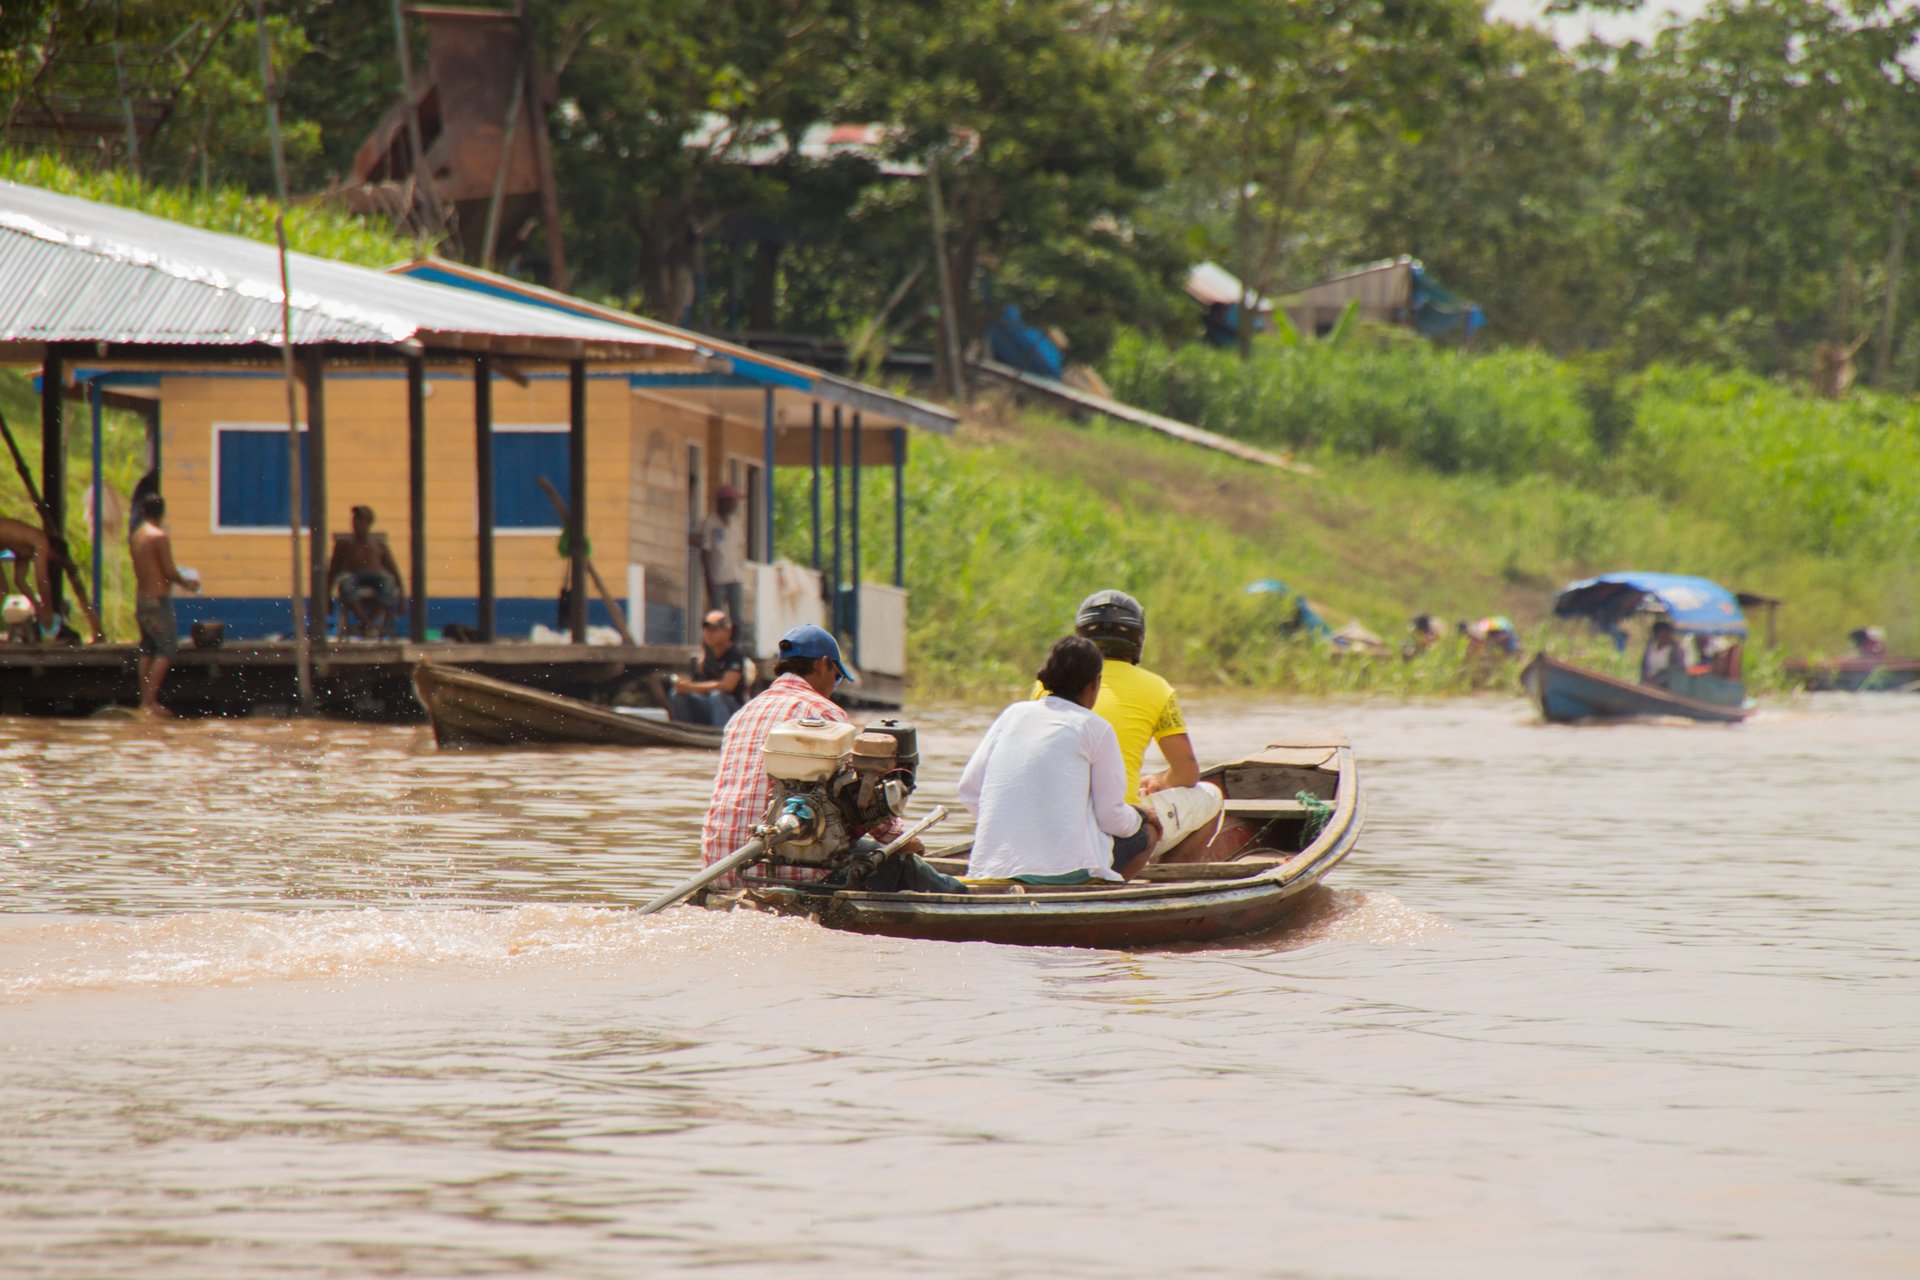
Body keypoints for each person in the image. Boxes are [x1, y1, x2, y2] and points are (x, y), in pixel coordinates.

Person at [700, 624, 917, 891]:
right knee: (904, 863)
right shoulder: (822, 713)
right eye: (836, 677)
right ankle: (960, 896)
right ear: (822, 665)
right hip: (784, 872)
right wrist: (902, 839)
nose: (834, 687)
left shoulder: (742, 714)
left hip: (720, 869)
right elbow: (862, 804)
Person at [961, 636, 1162, 884]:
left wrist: (1010, 827)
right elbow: (1111, 818)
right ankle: (1105, 898)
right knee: (1150, 833)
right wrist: (1142, 816)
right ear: (1095, 684)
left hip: (990, 870)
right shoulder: (1095, 728)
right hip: (1066, 875)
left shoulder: (1012, 714)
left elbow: (969, 790)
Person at [1057, 590, 1222, 862]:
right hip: (1118, 824)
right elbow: (1188, 773)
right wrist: (1158, 781)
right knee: (1211, 795)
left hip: (1058, 822)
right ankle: (1173, 883)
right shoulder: (1157, 688)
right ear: (1137, 639)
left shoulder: (1048, 683)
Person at [129, 496, 199, 715]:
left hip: (141, 601)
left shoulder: (136, 536)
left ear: (142, 511)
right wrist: (187, 583)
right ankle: (150, 702)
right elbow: (168, 571)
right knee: (167, 649)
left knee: (148, 648)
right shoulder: (159, 537)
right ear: (162, 513)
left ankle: (144, 701)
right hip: (158, 602)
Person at [327, 505, 403, 636]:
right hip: (353, 577)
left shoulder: (379, 545)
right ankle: (367, 624)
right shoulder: (344, 544)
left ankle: (369, 623)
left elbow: (394, 571)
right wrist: (327, 596)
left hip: (376, 578)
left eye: (360, 519)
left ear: (369, 523)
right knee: (345, 583)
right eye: (355, 519)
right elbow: (333, 570)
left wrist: (402, 596)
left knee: (388, 581)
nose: (356, 523)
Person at [668, 610, 748, 725]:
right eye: (706, 629)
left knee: (717, 696)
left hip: (731, 711)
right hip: (709, 706)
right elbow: (698, 684)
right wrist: (683, 686)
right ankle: (686, 732)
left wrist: (689, 687)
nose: (708, 633)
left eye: (714, 630)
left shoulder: (735, 655)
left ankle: (720, 733)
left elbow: (727, 686)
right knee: (677, 695)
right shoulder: (703, 656)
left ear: (727, 632)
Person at [692, 485, 747, 649]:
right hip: (718, 577)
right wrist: (708, 578)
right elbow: (705, 551)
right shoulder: (710, 523)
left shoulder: (736, 523)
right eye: (732, 502)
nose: (735, 505)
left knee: (737, 617)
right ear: (722, 502)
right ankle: (712, 647)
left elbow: (739, 549)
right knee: (716, 616)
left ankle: (734, 647)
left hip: (735, 576)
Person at [0, 516, 55, 635]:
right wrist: (48, 610)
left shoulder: (25, 549)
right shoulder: (41, 540)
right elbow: (42, 580)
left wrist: (38, 608)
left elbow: (20, 581)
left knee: (2, 590)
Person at [1640, 619, 1688, 687]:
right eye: (1664, 634)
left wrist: (1659, 676)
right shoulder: (1651, 647)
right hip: (1648, 683)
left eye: (1668, 634)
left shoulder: (1675, 650)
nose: (1667, 636)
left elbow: (1678, 669)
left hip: (1665, 685)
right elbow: (1644, 667)